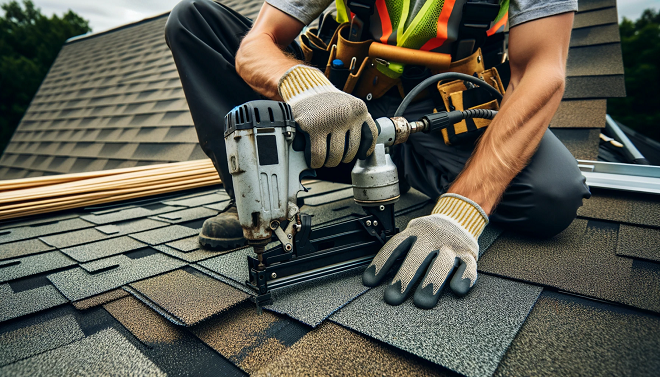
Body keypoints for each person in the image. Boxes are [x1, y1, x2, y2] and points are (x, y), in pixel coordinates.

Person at [165, 0, 590, 309]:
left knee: (549, 195)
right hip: (340, 107)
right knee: (193, 19)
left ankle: (421, 173)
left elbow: (542, 69)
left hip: (444, 111)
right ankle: (258, 197)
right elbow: (256, 43)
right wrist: (302, 85)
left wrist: (464, 208)